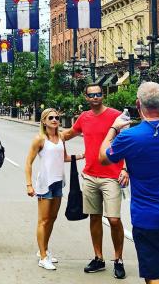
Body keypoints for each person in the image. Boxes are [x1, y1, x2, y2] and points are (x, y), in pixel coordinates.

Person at [100, 82, 159, 284]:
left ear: (138, 104)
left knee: (155, 276)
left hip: (148, 216)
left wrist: (113, 129)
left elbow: (103, 157)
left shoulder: (129, 136)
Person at [61, 84, 127, 278]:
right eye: (92, 95)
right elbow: (68, 134)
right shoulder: (84, 117)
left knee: (114, 219)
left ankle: (119, 259)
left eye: (98, 94)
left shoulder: (116, 116)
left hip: (112, 176)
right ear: (86, 97)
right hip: (90, 175)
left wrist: (125, 168)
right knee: (94, 217)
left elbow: (128, 143)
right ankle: (99, 258)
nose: (96, 97)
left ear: (103, 95)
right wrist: (47, 135)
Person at [25, 108, 85, 271]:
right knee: (43, 220)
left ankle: (43, 249)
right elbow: (28, 162)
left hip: (58, 182)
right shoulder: (40, 139)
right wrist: (29, 184)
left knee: (52, 218)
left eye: (57, 117)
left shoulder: (61, 137)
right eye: (50, 118)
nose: (54, 120)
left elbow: (63, 157)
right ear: (44, 121)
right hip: (45, 183)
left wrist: (80, 156)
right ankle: (43, 257)